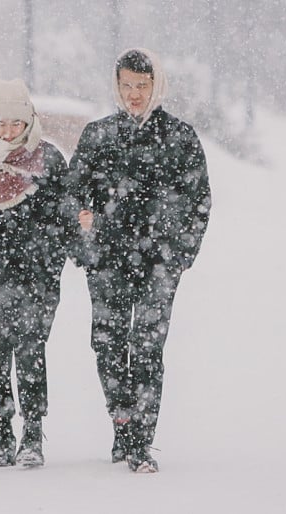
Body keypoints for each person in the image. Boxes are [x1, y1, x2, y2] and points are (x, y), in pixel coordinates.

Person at [66, 48, 211, 473]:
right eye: (126, 85)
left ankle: (141, 442)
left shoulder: (180, 138)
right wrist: (83, 225)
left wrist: (180, 255)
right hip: (107, 259)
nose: (134, 94)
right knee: (108, 345)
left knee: (147, 347)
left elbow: (199, 200)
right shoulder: (98, 135)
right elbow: (73, 192)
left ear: (156, 86)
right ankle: (122, 422)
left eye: (142, 86)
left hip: (159, 262)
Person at [0, 79, 70, 468]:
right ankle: (2, 435)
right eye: (0, 123)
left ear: (30, 121)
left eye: (16, 124)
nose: (7, 132)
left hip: (35, 277)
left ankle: (33, 434)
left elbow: (64, 220)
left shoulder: (49, 161)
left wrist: (49, 265)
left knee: (31, 354)